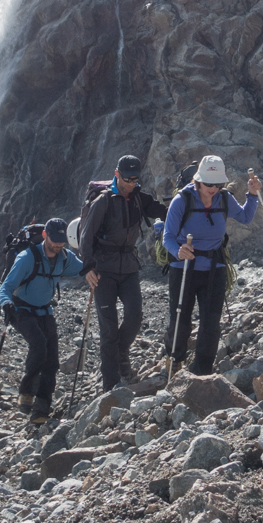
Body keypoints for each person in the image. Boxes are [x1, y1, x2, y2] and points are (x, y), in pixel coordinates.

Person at [161, 155, 259, 377]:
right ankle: (175, 359)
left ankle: (202, 371)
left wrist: (252, 195)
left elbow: (245, 217)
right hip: (183, 268)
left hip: (214, 268)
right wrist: (178, 251)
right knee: (181, 320)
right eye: (208, 184)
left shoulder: (224, 199)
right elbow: (168, 237)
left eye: (218, 184)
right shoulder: (182, 201)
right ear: (198, 181)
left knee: (211, 322)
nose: (213, 188)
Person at [0, 217, 96, 428]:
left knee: (52, 362)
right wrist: (6, 304)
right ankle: (26, 393)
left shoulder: (64, 257)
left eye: (61, 241)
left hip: (45, 310)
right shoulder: (27, 258)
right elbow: (5, 287)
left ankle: (41, 410)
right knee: (39, 344)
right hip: (20, 309)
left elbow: (85, 268)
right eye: (54, 240)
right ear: (44, 235)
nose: (58, 245)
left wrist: (93, 272)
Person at [80, 154, 168, 391]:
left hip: (129, 266)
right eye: (127, 179)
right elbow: (86, 237)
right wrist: (87, 267)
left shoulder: (139, 197)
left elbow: (163, 211)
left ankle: (120, 352)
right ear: (117, 174)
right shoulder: (103, 201)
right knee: (108, 328)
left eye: (135, 179)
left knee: (135, 316)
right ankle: (110, 385)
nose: (130, 184)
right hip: (103, 270)